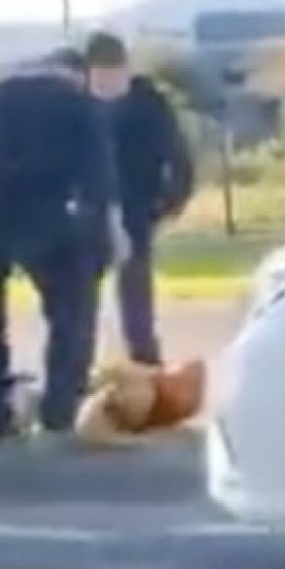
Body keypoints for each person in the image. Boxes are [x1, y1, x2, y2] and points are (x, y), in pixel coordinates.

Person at [0, 48, 129, 437]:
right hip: (49, 214)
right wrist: (108, 228)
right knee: (72, 313)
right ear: (77, 74)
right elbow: (98, 172)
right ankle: (60, 403)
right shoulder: (80, 104)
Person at [83, 31, 194, 366]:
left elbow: (176, 152)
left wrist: (172, 198)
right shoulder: (77, 103)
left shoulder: (148, 102)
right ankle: (76, 367)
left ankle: (145, 360)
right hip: (88, 208)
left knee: (135, 291)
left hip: (136, 205)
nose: (109, 83)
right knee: (80, 295)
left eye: (115, 73)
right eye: (101, 75)